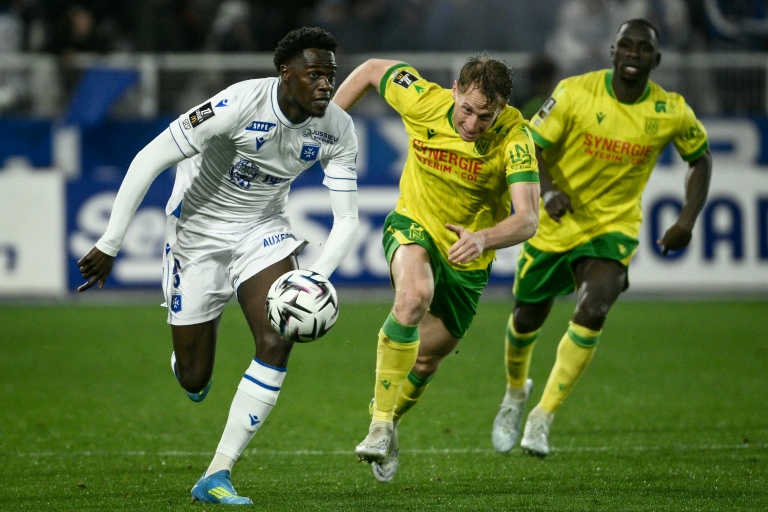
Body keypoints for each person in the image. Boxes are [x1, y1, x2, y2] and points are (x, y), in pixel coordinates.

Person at [77, 27, 359, 504]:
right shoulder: (236, 104)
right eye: (314, 75)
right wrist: (110, 242)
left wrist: (315, 275)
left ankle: (217, 473)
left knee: (277, 336)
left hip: (262, 230)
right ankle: (187, 360)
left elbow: (348, 219)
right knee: (194, 377)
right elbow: (149, 159)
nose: (326, 86)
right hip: (197, 236)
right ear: (285, 74)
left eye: (331, 76)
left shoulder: (337, 128)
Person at [491, 18, 712, 458]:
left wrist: (687, 220)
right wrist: (548, 191)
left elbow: (700, 159)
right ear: (612, 52)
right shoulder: (574, 93)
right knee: (524, 322)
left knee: (593, 310)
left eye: (643, 48)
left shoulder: (671, 111)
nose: (633, 54)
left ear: (656, 59)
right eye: (626, 46)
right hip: (554, 227)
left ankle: (543, 416)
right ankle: (516, 394)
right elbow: (533, 146)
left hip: (613, 228)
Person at [332, 54, 541, 482]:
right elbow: (372, 69)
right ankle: (379, 426)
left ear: (501, 109)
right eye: (467, 109)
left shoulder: (516, 138)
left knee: (425, 362)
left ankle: (390, 422)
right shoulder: (423, 100)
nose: (473, 123)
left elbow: (528, 218)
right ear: (454, 91)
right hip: (414, 225)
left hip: (469, 256)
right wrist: (328, 122)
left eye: (486, 116)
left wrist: (482, 238)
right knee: (412, 298)